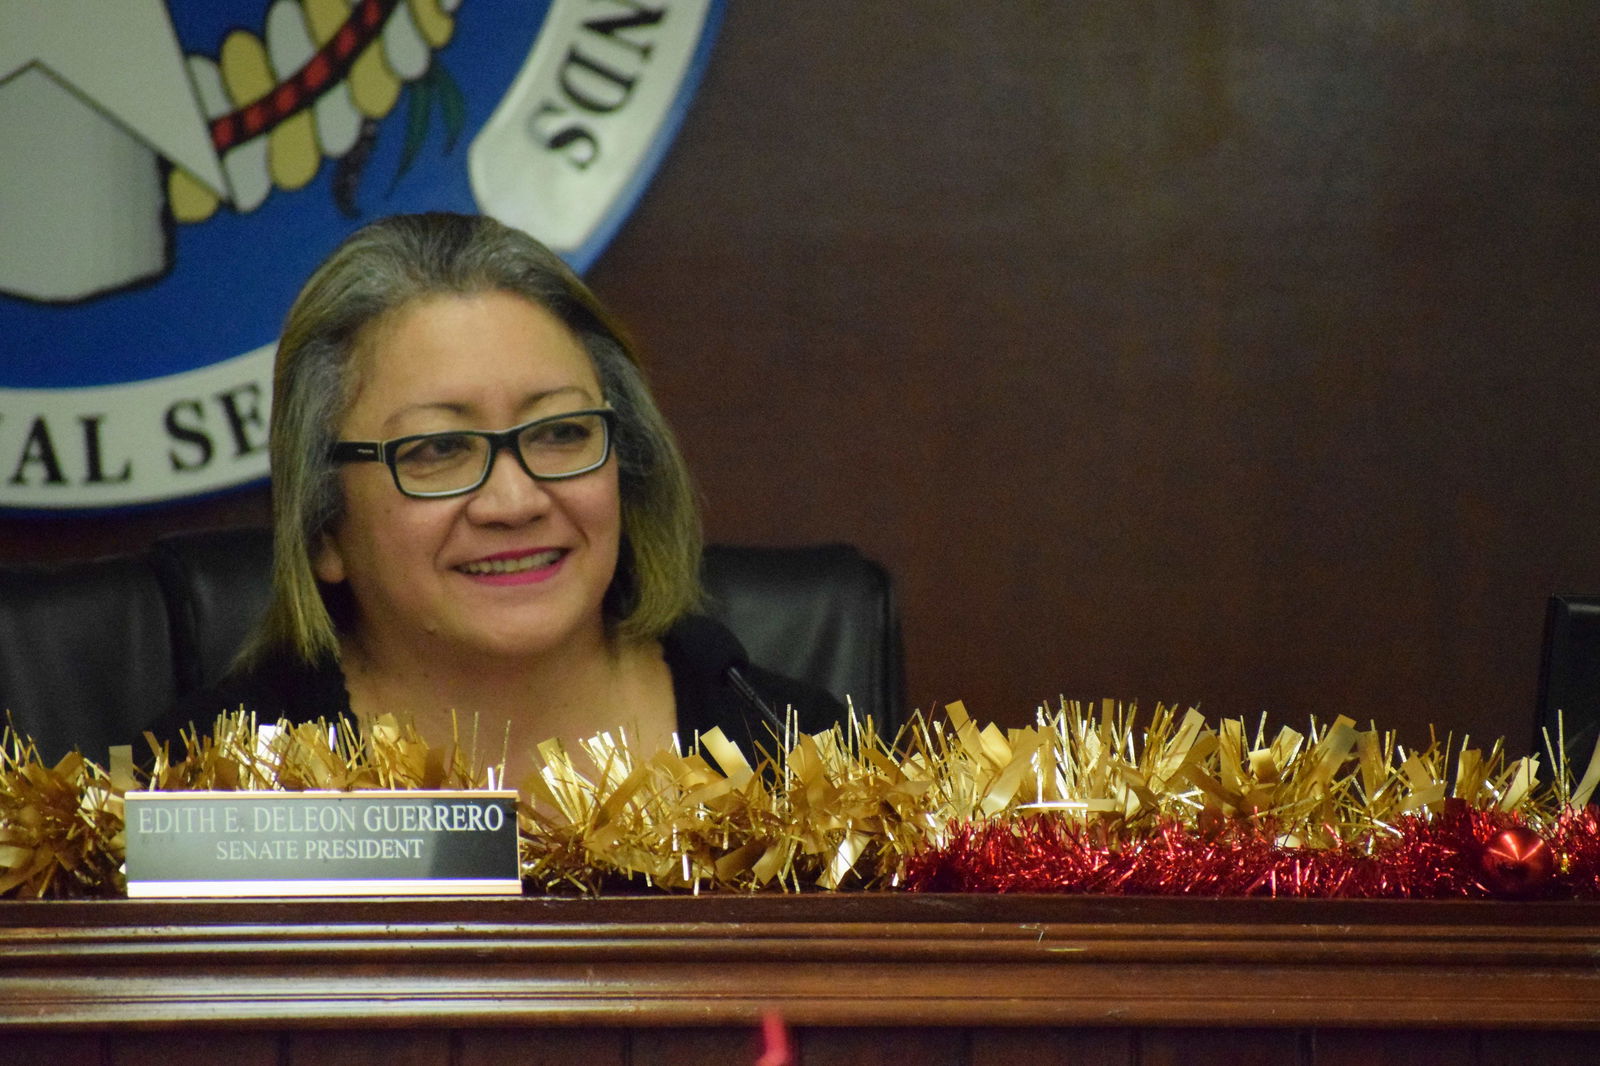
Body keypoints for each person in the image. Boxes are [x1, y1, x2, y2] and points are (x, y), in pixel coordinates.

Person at [165, 212, 841, 782]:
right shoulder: (201, 788)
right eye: (436, 449)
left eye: (561, 432)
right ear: (323, 526)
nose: (515, 500)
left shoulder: (808, 764)